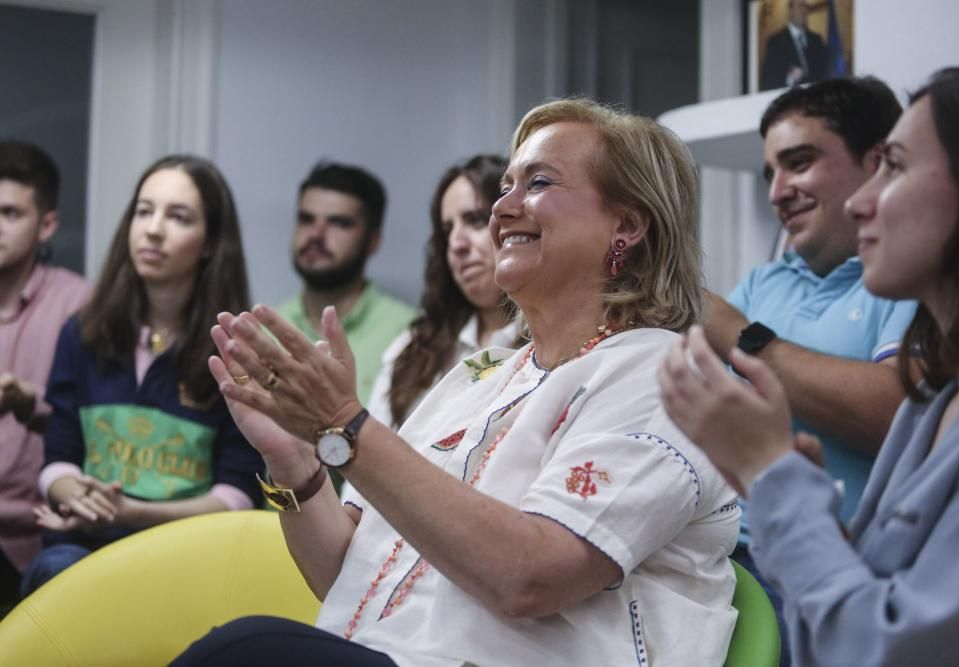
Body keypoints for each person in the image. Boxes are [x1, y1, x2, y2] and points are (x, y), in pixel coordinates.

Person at [174, 99, 740, 666]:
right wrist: (295, 461)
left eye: (538, 183)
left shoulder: (662, 375)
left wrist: (345, 424)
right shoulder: (484, 374)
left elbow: (532, 578)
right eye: (505, 187)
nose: (503, 210)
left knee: (247, 649)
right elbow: (345, 576)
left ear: (628, 223)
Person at [661, 63, 959, 667]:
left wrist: (771, 474)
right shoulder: (944, 402)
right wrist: (790, 496)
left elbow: (882, 647)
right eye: (770, 172)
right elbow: (868, 585)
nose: (866, 203)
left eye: (894, 166)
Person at [703, 77, 916, 608]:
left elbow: (902, 416)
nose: (776, 192)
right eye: (770, 172)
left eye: (798, 163)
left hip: (831, 572)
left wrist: (743, 336)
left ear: (877, 165)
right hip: (713, 560)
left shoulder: (910, 281)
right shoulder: (760, 283)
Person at [21, 155, 263, 595]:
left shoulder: (237, 352)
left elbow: (240, 495)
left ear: (210, 243)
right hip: (82, 548)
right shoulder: (82, 333)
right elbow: (57, 456)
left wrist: (132, 512)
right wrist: (73, 493)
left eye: (179, 217)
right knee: (57, 568)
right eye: (144, 211)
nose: (153, 229)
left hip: (183, 559)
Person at [368, 155, 522, 429]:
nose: (456, 244)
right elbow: (365, 459)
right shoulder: (414, 348)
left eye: (475, 221)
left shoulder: (553, 345)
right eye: (447, 230)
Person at [0, 141, 89, 612]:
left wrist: (24, 401)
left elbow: (92, 426)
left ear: (47, 224)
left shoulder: (80, 306)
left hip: (37, 535)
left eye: (9, 213)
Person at [277, 162, 414, 406]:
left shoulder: (410, 332)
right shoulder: (266, 329)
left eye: (339, 223)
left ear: (373, 241)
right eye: (306, 219)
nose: (316, 235)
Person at [760, 0, 830, 90]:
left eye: (805, 6)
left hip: (815, 97)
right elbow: (767, 80)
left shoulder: (817, 40)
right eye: (800, 6)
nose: (804, 10)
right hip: (791, 98)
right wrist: (789, 78)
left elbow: (826, 72)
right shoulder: (776, 42)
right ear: (790, 11)